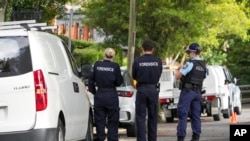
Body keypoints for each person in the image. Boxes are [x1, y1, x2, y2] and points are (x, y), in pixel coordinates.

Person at [88, 48, 123, 141]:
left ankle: (100, 138)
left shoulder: (97, 65)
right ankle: (112, 139)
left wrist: (95, 93)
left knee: (99, 121)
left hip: (100, 95)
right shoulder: (115, 66)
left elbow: (90, 81)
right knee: (113, 121)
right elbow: (119, 82)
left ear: (104, 55)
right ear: (113, 56)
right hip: (111, 95)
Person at [175, 43, 207, 141]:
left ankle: (181, 137)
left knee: (183, 114)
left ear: (193, 52)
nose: (189, 54)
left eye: (189, 52)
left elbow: (178, 76)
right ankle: (196, 137)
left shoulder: (190, 63)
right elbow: (204, 77)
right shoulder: (204, 65)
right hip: (198, 92)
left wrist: (177, 69)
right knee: (196, 115)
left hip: (188, 92)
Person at [132, 39, 163, 141]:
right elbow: (159, 74)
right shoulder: (158, 61)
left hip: (141, 90)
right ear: (153, 49)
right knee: (153, 117)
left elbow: (134, 76)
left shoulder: (137, 61)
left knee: (140, 117)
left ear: (142, 49)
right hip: (153, 90)